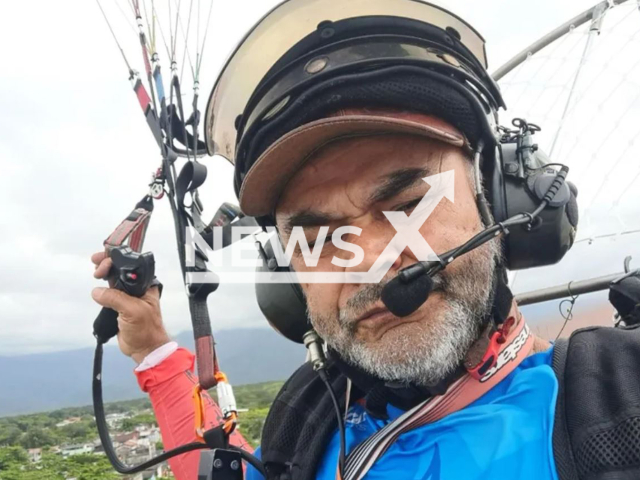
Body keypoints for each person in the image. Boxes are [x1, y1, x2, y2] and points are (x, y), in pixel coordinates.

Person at [91, 1, 640, 479]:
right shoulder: (305, 425)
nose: (371, 261)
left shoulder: (618, 401)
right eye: (320, 237)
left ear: (495, 200)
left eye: (407, 205)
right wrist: (154, 348)